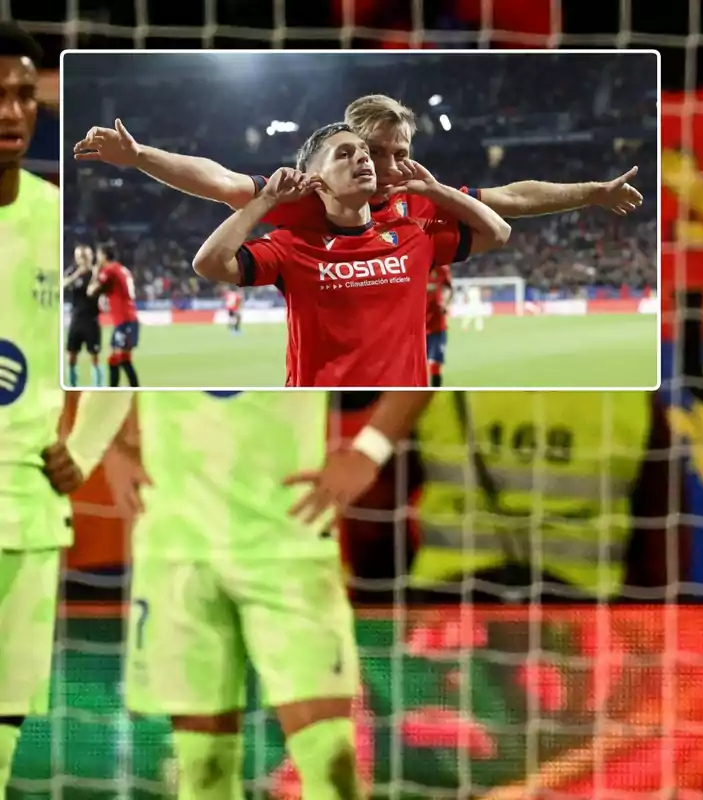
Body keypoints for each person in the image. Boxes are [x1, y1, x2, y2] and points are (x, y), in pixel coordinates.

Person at [65, 388, 433, 800]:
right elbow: (91, 338)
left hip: (289, 545)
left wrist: (369, 452)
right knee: (203, 772)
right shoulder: (149, 320)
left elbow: (427, 336)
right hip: (177, 545)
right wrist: (110, 444)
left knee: (332, 766)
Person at [0, 22, 128, 795]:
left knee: (5, 735)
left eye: (23, 95)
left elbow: (123, 356)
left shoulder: (64, 225)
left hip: (27, 510)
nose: (12, 111)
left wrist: (84, 444)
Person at [191, 123, 510, 387]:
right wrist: (266, 200)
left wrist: (436, 189)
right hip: (318, 406)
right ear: (315, 180)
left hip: (394, 406)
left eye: (365, 152)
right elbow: (209, 263)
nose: (364, 159)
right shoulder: (291, 245)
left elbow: (498, 232)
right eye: (344, 154)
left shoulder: (415, 234)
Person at [70, 93, 643, 236]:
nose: (392, 165)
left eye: (402, 153)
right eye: (377, 152)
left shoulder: (421, 197)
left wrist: (592, 191)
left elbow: (510, 199)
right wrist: (140, 155)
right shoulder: (301, 195)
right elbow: (219, 180)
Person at [88, 244, 140, 387]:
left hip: (125, 321)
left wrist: (95, 273)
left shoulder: (109, 270)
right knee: (117, 359)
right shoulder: (122, 269)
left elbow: (91, 291)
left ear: (104, 256)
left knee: (120, 359)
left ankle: (126, 390)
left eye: (98, 255)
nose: (97, 258)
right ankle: (117, 390)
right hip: (127, 319)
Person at [63, 244, 104, 387]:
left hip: (91, 320)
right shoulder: (73, 272)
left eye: (85, 256)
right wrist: (76, 275)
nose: (83, 259)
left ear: (90, 257)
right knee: (71, 356)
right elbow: (62, 284)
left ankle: (98, 387)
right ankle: (72, 386)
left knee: (94, 356)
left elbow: (94, 292)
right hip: (76, 319)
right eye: (80, 256)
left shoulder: (96, 273)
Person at [425, 262, 452, 387]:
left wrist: (445, 303)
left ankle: (435, 392)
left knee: (435, 364)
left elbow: (448, 287)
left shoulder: (442, 268)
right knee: (413, 367)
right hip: (415, 328)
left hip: (437, 326)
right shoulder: (411, 265)